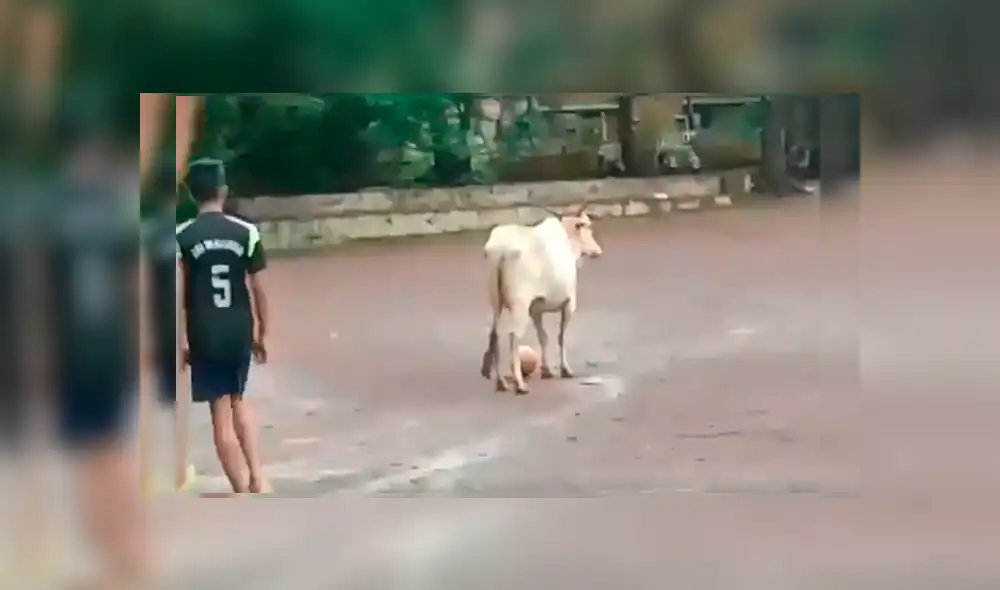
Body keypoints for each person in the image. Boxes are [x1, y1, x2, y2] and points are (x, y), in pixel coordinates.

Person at [175, 158, 269, 494]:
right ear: (224, 190)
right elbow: (258, 288)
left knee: (219, 412)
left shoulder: (181, 236)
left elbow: (173, 293)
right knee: (239, 400)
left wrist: (180, 342)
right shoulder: (247, 232)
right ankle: (259, 477)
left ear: (190, 193)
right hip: (238, 328)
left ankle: (239, 489)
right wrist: (262, 334)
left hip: (204, 332)